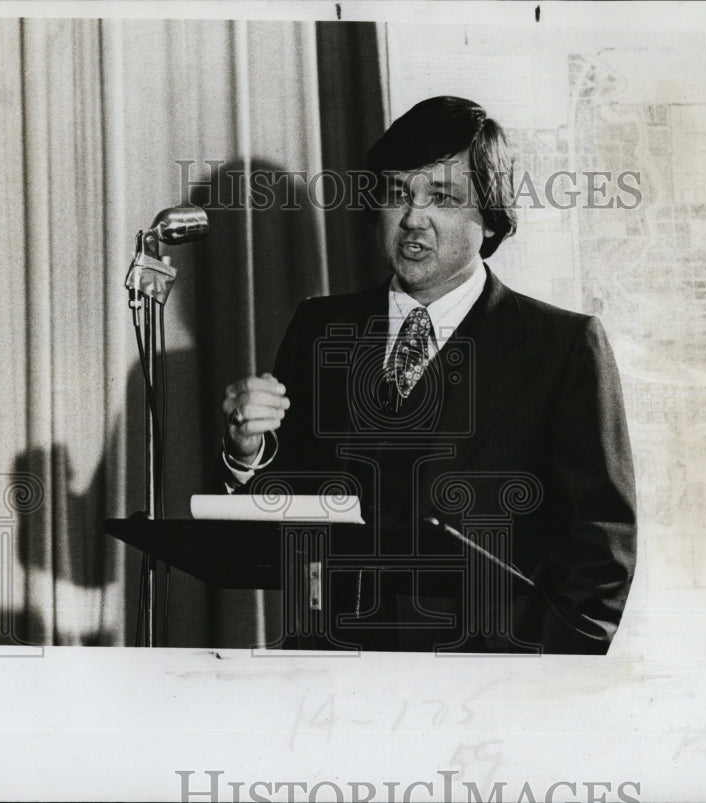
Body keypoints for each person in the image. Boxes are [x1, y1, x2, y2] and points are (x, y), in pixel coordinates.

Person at [220, 96, 636, 654]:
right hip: (330, 688)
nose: (413, 218)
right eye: (397, 194)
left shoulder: (562, 347)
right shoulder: (317, 328)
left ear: (488, 215)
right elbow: (278, 526)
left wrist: (525, 680)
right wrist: (248, 455)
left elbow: (601, 558)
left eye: (441, 196)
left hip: (485, 698)